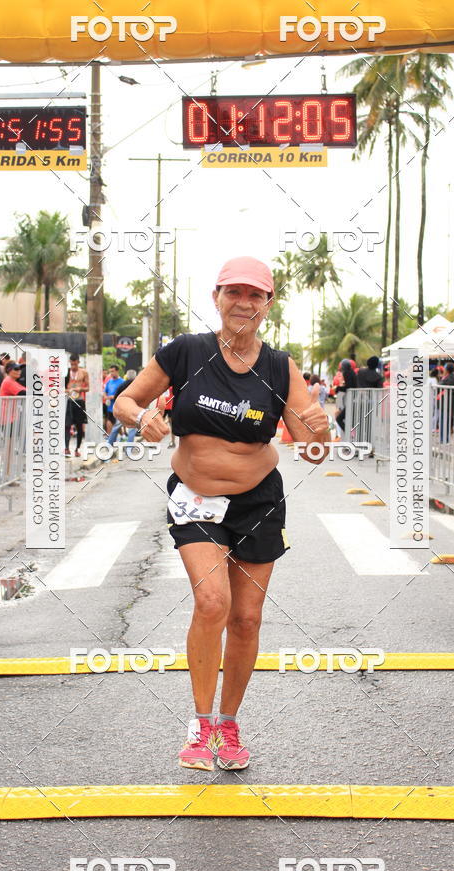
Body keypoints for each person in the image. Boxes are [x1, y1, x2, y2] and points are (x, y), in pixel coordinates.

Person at [114, 256, 329, 772]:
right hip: (195, 497)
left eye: (255, 295)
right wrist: (143, 417)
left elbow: (312, 450)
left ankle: (228, 726)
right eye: (234, 292)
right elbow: (125, 401)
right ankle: (200, 724)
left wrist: (320, 431)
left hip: (258, 501)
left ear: (268, 305)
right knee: (212, 602)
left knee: (247, 618)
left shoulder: (280, 367)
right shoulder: (187, 351)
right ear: (216, 297)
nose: (243, 303)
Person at [65, 353, 89, 457]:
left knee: (79, 426)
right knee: (67, 425)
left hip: (79, 401)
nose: (73, 366)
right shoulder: (66, 372)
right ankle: (66, 448)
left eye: (75, 364)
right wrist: (67, 390)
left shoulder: (84, 372)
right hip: (68, 400)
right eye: (71, 364)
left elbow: (88, 388)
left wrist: (80, 389)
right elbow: (60, 386)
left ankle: (77, 449)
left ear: (78, 362)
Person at [334, 359, 358, 434]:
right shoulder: (352, 372)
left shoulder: (347, 373)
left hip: (351, 400)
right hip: (354, 399)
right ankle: (350, 433)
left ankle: (348, 433)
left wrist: (338, 388)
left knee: (339, 419)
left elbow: (348, 387)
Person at [103, 364, 125, 434]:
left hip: (119, 407)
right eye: (110, 372)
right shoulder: (109, 381)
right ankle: (109, 437)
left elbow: (125, 393)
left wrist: (114, 396)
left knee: (118, 424)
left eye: (112, 371)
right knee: (109, 422)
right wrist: (105, 396)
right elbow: (105, 391)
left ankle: (122, 435)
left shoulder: (122, 382)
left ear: (117, 371)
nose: (111, 373)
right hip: (110, 407)